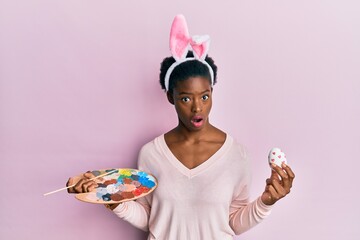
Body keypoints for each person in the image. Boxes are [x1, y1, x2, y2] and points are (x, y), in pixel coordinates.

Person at [67, 15, 295, 240]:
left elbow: (233, 222)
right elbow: (150, 218)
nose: (197, 108)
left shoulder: (237, 155)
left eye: (204, 97)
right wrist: (115, 201)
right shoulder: (151, 153)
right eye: (186, 99)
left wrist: (267, 200)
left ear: (212, 94)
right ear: (170, 97)